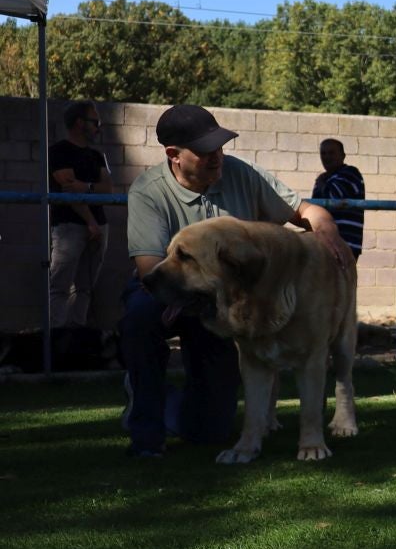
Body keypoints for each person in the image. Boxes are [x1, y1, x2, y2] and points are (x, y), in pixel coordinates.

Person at [120, 104, 352, 457]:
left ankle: (173, 402)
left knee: (210, 429)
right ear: (174, 155)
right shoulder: (148, 192)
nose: (217, 158)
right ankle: (146, 430)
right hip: (174, 293)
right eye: (205, 152)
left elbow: (305, 211)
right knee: (139, 316)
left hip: (230, 305)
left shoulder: (240, 173)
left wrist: (327, 228)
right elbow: (151, 269)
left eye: (220, 148)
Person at [47, 100, 111, 327]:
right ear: (79, 123)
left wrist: (86, 187)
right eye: (95, 122)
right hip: (69, 227)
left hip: (98, 226)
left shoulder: (97, 156)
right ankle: (58, 341)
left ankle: (77, 339)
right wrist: (90, 222)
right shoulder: (58, 151)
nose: (98, 127)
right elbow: (69, 190)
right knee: (60, 285)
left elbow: (107, 188)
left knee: (85, 288)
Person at [312, 138, 366, 259]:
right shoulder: (324, 179)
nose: (327, 157)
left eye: (331, 153)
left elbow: (334, 197)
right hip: (325, 243)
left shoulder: (350, 173)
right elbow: (316, 206)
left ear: (343, 156)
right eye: (323, 153)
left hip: (346, 244)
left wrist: (322, 184)